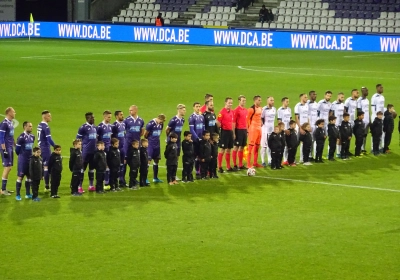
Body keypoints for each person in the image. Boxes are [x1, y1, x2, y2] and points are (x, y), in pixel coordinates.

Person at [76, 112, 97, 193]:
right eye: (92, 118)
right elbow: (78, 139)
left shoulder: (95, 127)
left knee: (91, 169)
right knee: (82, 169)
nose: (93, 119)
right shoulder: (83, 128)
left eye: (93, 117)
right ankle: (79, 186)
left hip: (93, 152)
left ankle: (91, 185)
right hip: (85, 152)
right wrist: (79, 150)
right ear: (87, 119)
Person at [37, 110, 56, 192]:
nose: (50, 117)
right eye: (49, 116)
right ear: (45, 117)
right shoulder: (46, 126)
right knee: (46, 167)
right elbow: (49, 139)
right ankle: (47, 187)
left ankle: (46, 185)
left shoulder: (39, 125)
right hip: (45, 148)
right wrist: (55, 146)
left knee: (44, 165)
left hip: (40, 147)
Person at [15, 121, 34, 201]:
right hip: (22, 160)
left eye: (31, 126)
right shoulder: (21, 137)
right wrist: (22, 156)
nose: (31, 127)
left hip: (30, 160)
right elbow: (17, 150)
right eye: (29, 126)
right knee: (20, 177)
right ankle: (18, 195)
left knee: (29, 176)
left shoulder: (32, 136)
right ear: (25, 127)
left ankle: (27, 193)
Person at [165, 104, 186, 180]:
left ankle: (174, 175)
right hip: (172, 142)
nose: (184, 111)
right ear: (179, 110)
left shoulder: (183, 120)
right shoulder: (173, 120)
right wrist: (168, 138)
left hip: (178, 141)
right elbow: (167, 129)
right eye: (183, 110)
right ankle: (170, 175)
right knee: (171, 158)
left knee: (177, 157)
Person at [144, 114, 166, 183]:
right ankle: (145, 178)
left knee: (156, 160)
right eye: (162, 120)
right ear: (158, 118)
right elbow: (145, 134)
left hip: (157, 144)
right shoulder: (150, 124)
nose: (162, 122)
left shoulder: (161, 124)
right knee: (148, 161)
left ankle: (155, 178)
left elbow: (160, 132)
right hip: (150, 144)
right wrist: (149, 141)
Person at [0, 107, 16, 196]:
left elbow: (11, 136)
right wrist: (4, 149)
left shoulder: (10, 123)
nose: (15, 113)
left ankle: (4, 188)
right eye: (13, 112)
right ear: (9, 112)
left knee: (9, 167)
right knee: (7, 167)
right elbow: (1, 137)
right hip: (6, 148)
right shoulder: (4, 123)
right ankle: (3, 189)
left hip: (10, 147)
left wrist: (15, 146)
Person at [217, 97, 235, 173]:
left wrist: (233, 133)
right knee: (222, 149)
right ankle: (219, 167)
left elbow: (232, 122)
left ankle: (228, 166)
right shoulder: (222, 112)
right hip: (224, 132)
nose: (230, 104)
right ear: (225, 103)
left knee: (229, 149)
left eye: (231, 103)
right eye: (229, 103)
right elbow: (218, 122)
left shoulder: (232, 112)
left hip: (230, 132)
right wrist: (221, 128)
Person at [112, 110, 127, 187]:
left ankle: (122, 180)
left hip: (123, 148)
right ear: (117, 116)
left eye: (122, 114)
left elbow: (124, 134)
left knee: (123, 164)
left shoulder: (123, 124)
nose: (122, 116)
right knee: (116, 165)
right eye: (121, 115)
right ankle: (115, 181)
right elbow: (112, 137)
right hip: (117, 149)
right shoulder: (114, 125)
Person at [97, 110, 113, 185]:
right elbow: (97, 138)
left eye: (110, 117)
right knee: (103, 165)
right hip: (102, 150)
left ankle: (107, 181)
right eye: (108, 117)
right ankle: (103, 182)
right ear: (104, 116)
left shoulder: (110, 126)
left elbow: (110, 137)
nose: (110, 119)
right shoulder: (100, 126)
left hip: (109, 148)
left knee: (109, 165)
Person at [189, 102, 205, 177]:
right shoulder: (191, 117)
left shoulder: (202, 117)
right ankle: (195, 171)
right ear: (193, 107)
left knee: (200, 155)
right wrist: (197, 138)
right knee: (194, 156)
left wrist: (204, 137)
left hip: (201, 139)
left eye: (199, 106)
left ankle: (199, 170)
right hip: (195, 140)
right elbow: (192, 130)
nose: (198, 108)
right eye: (196, 106)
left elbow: (203, 128)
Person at [233, 95, 248, 170]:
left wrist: (247, 130)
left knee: (242, 147)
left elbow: (246, 121)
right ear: (239, 101)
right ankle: (235, 165)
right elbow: (234, 122)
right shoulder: (236, 110)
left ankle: (240, 164)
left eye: (245, 101)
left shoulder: (245, 110)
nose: (244, 102)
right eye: (243, 101)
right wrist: (234, 133)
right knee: (236, 147)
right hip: (238, 130)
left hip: (244, 130)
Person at [260, 96, 276, 167]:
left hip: (271, 131)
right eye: (271, 100)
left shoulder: (274, 109)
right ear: (267, 101)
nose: (272, 102)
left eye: (273, 100)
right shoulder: (264, 109)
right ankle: (263, 161)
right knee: (264, 146)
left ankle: (269, 160)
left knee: (270, 146)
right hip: (265, 131)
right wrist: (263, 126)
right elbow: (261, 118)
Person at [294, 94, 309, 163]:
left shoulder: (307, 105)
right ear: (301, 98)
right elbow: (296, 118)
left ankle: (302, 159)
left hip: (306, 127)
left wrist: (308, 126)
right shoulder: (297, 106)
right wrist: (300, 128)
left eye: (306, 97)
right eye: (305, 97)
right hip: (300, 127)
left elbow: (307, 116)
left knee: (304, 143)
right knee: (296, 143)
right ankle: (292, 159)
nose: (306, 98)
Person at [330, 92, 345, 157]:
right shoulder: (333, 104)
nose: (343, 98)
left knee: (341, 138)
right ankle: (331, 153)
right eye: (341, 97)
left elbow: (344, 113)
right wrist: (331, 122)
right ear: (338, 97)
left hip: (341, 124)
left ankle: (339, 152)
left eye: (343, 97)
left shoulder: (342, 104)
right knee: (334, 139)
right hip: (335, 124)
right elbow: (331, 114)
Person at [277, 97, 292, 165]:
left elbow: (290, 120)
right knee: (282, 145)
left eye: (288, 101)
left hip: (289, 130)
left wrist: (291, 128)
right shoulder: (280, 110)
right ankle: (281, 159)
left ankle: (286, 160)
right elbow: (279, 121)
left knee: (288, 145)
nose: (288, 103)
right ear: (283, 102)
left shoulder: (289, 109)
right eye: (286, 101)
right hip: (283, 130)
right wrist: (283, 129)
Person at [371, 84, 385, 152]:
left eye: (382, 87)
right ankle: (373, 148)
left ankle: (379, 147)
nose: (382, 88)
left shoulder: (382, 97)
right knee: (374, 133)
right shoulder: (374, 97)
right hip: (376, 117)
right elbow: (373, 107)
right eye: (380, 87)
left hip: (381, 117)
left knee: (380, 132)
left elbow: (382, 107)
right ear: (377, 88)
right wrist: (376, 116)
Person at [317, 91, 332, 156]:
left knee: (325, 138)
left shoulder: (330, 104)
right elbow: (317, 112)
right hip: (320, 124)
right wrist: (318, 122)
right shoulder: (320, 102)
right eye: (328, 95)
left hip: (326, 123)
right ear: (325, 95)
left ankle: (322, 154)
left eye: (330, 96)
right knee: (319, 139)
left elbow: (329, 113)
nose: (329, 97)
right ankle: (317, 155)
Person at [357, 87, 370, 154]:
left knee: (365, 134)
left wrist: (369, 119)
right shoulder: (359, 100)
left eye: (367, 90)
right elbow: (359, 110)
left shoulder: (367, 100)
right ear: (362, 92)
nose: (367, 92)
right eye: (366, 91)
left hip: (367, 120)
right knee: (361, 135)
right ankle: (359, 148)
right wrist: (360, 119)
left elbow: (367, 111)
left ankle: (363, 148)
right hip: (363, 120)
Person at [307, 91, 319, 160]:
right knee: (309, 141)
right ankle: (308, 155)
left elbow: (317, 115)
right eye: (313, 94)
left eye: (316, 94)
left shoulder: (316, 104)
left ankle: (312, 155)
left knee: (314, 140)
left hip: (314, 125)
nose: (315, 95)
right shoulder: (307, 104)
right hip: (309, 125)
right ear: (310, 95)